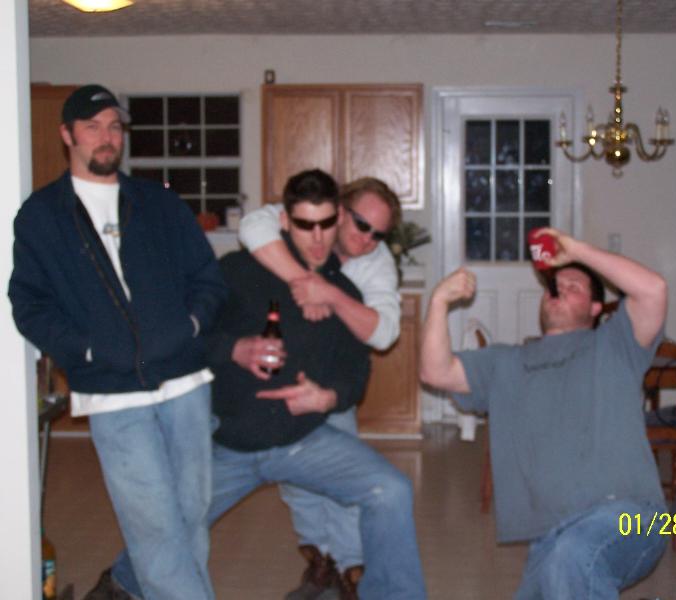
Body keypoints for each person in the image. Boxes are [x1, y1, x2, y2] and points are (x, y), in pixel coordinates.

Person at [115, 169, 426, 600]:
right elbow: (180, 338)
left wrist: (329, 397)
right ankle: (118, 583)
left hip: (302, 439)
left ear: (336, 218)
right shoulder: (238, 270)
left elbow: (358, 371)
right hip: (228, 442)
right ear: (284, 220)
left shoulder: (349, 290)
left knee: (390, 491)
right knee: (168, 522)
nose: (318, 238)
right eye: (305, 225)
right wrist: (235, 349)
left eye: (326, 225)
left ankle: (351, 577)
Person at [8, 84, 227, 600]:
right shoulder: (42, 215)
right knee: (153, 527)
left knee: (190, 517)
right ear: (67, 135)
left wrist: (191, 326)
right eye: (92, 127)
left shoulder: (159, 204)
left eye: (114, 126)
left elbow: (208, 278)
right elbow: (29, 302)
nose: (106, 137)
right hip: (111, 393)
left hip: (186, 382)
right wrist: (84, 350)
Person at [419, 229, 669, 599]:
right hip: (551, 539)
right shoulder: (505, 363)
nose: (561, 288)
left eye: (574, 286)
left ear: (596, 309)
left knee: (573, 555)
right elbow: (435, 372)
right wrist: (439, 301)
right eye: (556, 284)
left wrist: (577, 252)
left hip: (631, 517)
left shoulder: (615, 345)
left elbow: (653, 290)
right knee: (564, 559)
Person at [238, 177, 402, 597]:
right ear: (340, 211)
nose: (367, 239)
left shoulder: (377, 262)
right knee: (297, 484)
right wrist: (303, 281)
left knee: (344, 480)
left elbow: (384, 333)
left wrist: (326, 293)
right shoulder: (297, 217)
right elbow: (251, 228)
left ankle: (350, 571)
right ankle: (321, 564)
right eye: (362, 225)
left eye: (378, 234)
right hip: (288, 375)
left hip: (332, 384)